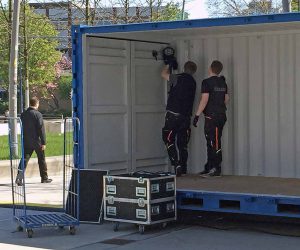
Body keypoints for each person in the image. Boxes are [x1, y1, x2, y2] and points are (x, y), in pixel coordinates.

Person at [193, 60, 229, 177]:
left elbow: (204, 100)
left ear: (210, 68)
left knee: (214, 142)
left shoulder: (206, 82)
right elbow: (226, 99)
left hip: (211, 117)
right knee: (211, 141)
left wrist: (197, 115)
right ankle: (209, 166)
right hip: (221, 115)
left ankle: (216, 168)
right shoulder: (223, 83)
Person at [161, 61, 197, 177]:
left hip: (173, 115)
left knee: (168, 139)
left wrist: (168, 64)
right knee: (183, 143)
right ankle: (183, 167)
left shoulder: (177, 78)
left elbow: (163, 74)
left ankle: (176, 164)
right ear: (194, 72)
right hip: (185, 117)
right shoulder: (193, 82)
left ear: (184, 68)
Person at [16, 97, 52, 185]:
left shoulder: (23, 114)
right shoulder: (38, 114)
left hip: (27, 140)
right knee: (41, 159)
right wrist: (43, 142)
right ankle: (44, 178)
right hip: (37, 141)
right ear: (37, 104)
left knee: (24, 159)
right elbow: (41, 129)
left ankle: (19, 178)